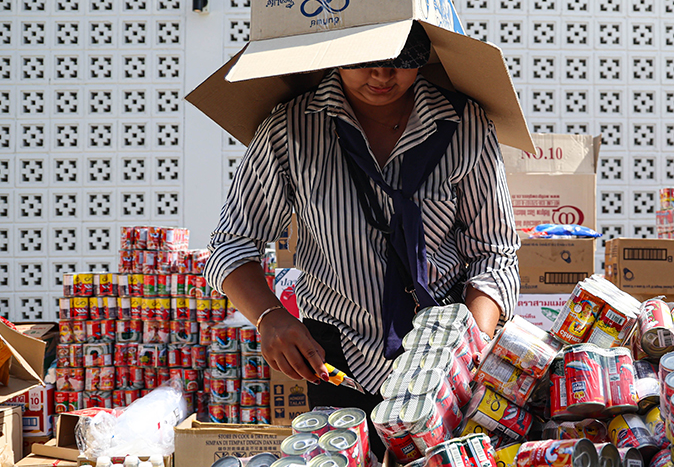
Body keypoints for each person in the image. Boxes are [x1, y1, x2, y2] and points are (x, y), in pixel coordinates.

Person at [204, 23, 519, 457]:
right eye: (364, 61)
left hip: (441, 362)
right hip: (334, 355)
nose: (381, 77)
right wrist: (269, 317)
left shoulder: (464, 126)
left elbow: (494, 252)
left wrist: (467, 349)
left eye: (400, 64)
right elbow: (232, 243)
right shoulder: (291, 130)